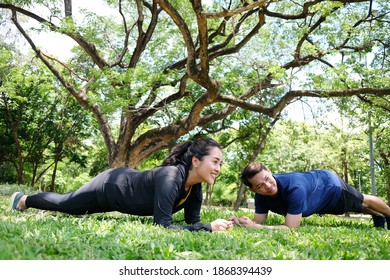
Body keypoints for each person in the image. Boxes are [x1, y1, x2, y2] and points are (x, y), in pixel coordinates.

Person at [10, 138, 233, 232]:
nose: (218, 168)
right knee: (66, 204)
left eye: (220, 164)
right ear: (196, 161)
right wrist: (206, 228)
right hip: (111, 185)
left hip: (120, 197)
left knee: (74, 208)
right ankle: (23, 200)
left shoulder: (195, 187)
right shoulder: (171, 176)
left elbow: (192, 222)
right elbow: (163, 224)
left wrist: (216, 226)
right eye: (215, 162)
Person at [229, 162, 390, 230]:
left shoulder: (294, 188)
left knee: (362, 201)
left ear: (270, 171)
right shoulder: (260, 197)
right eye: (260, 186)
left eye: (267, 179)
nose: (268, 186)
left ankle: (387, 213)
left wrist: (256, 227)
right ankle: (378, 215)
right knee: (357, 207)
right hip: (318, 201)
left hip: (330, 186)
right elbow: (258, 222)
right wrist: (240, 222)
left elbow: (290, 228)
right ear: (253, 191)